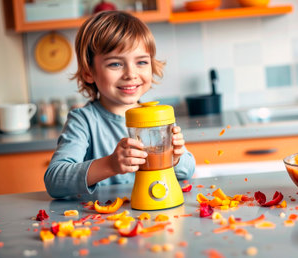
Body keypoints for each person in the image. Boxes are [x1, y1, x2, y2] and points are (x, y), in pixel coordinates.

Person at [44, 11, 195, 199]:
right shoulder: (83, 121)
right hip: (104, 220)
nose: (130, 74)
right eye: (115, 64)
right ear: (89, 73)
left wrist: (175, 158)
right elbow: (54, 180)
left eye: (141, 62)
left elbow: (187, 171)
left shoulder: (156, 117)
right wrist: (110, 165)